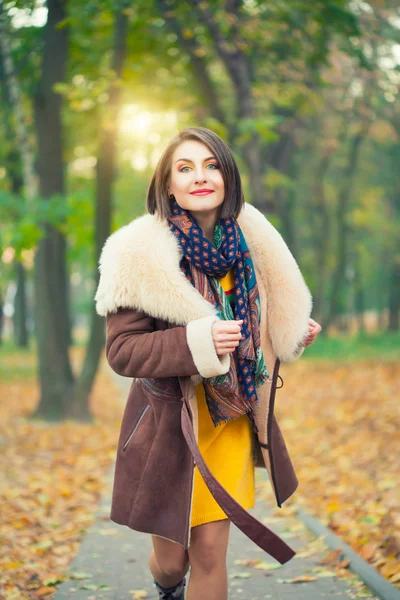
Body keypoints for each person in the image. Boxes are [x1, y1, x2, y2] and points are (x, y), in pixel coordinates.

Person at [95, 127, 321, 600]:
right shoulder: (139, 255)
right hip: (168, 428)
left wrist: (291, 333)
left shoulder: (253, 247)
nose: (200, 176)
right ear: (169, 185)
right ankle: (166, 586)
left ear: (227, 176)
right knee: (173, 561)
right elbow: (123, 351)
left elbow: (257, 329)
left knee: (211, 555)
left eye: (211, 165)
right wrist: (197, 340)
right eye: (185, 168)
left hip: (230, 422)